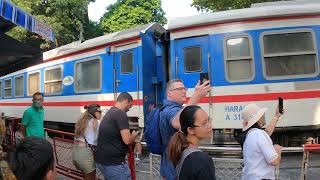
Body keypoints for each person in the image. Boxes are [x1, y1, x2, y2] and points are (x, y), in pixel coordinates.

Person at [160, 79, 211, 180]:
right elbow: (177, 122)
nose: (184, 91)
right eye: (179, 89)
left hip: (170, 167)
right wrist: (196, 95)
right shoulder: (171, 109)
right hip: (174, 169)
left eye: (184, 88)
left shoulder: (170, 108)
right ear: (169, 93)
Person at [96, 92, 140, 180]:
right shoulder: (120, 113)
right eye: (130, 105)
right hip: (114, 164)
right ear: (126, 101)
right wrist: (134, 135)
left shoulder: (111, 111)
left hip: (104, 162)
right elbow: (127, 140)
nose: (129, 109)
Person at [168, 105, 216, 180]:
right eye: (204, 123)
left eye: (209, 120)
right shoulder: (202, 160)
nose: (209, 125)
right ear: (190, 130)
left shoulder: (181, 150)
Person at [241, 103, 283, 180]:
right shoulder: (259, 134)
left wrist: (276, 116)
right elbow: (274, 161)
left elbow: (266, 133)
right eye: (262, 114)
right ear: (258, 118)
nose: (263, 115)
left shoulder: (251, 134)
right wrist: (278, 151)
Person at [72, 104, 102, 180]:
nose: (101, 113)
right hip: (86, 155)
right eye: (100, 112)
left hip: (76, 153)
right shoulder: (95, 122)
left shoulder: (82, 121)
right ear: (95, 113)